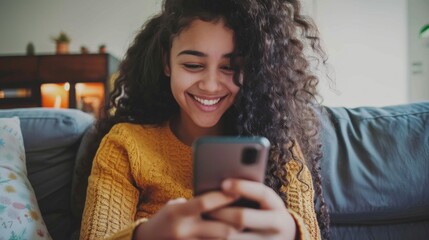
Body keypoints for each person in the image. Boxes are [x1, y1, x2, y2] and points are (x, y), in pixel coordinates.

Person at [80, 0, 330, 239]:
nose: (210, 86)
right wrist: (147, 235)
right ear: (167, 62)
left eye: (230, 67)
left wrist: (291, 232)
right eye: (192, 65)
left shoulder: (279, 148)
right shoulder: (125, 145)